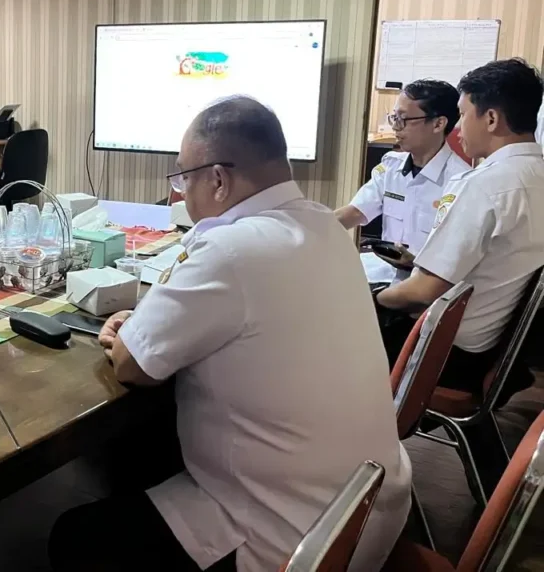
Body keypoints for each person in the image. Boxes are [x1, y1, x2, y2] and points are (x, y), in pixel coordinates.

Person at [49, 97, 410, 572]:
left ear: (217, 179)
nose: (179, 192)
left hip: (294, 541)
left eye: (183, 176)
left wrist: (126, 334)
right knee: (150, 446)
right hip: (365, 505)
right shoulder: (324, 225)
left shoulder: (229, 249)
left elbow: (134, 365)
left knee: (75, 537)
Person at [376, 58, 544, 392]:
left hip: (444, 352)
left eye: (464, 114)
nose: (457, 128)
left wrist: (373, 298)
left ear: (492, 118)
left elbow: (424, 290)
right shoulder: (536, 175)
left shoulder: (483, 185)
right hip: (492, 348)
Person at [335, 79, 466, 271]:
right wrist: (304, 227)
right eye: (394, 118)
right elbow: (354, 212)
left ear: (438, 124)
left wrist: (415, 264)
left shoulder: (461, 180)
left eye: (403, 119)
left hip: (428, 285)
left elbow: (459, 257)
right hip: (386, 274)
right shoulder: (391, 167)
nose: (396, 127)